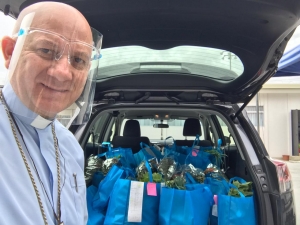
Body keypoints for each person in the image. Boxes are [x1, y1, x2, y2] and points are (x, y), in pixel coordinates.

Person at [0, 2, 102, 224]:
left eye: (78, 60)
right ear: (10, 52)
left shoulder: (71, 147)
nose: (63, 73)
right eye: (46, 50)